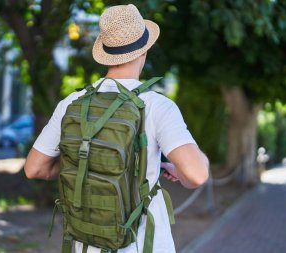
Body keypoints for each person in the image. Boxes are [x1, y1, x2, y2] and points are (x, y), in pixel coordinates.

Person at [24, 4, 209, 253]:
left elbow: (34, 168)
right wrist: (181, 168)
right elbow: (197, 174)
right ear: (144, 50)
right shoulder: (157, 106)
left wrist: (87, 164)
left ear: (105, 53)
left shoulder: (72, 103)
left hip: (84, 245)